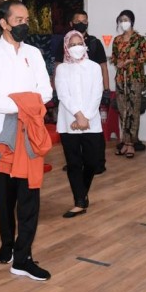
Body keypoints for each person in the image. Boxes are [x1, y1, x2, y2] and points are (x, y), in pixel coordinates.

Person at [0, 0, 53, 281]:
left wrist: (24, 105)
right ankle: (8, 244)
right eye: (18, 20)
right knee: (6, 198)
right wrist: (24, 103)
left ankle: (23, 257)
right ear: (4, 23)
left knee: (30, 197)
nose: (24, 24)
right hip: (1, 138)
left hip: (31, 134)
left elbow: (45, 91)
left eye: (26, 19)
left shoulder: (34, 53)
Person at [55, 30, 103, 218]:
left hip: (91, 122)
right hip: (69, 122)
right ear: (66, 47)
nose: (76, 47)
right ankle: (79, 201)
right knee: (74, 163)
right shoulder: (62, 69)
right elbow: (63, 95)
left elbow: (97, 93)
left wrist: (85, 118)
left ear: (85, 45)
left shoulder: (94, 67)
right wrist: (77, 116)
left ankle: (82, 192)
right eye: (72, 44)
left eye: (79, 43)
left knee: (92, 162)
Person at [54, 10, 109, 174]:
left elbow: (103, 67)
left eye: (84, 20)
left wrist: (106, 89)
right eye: (78, 20)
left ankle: (97, 163)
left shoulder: (94, 43)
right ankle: (74, 164)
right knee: (71, 141)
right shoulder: (64, 44)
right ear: (71, 23)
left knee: (94, 137)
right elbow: (57, 67)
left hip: (90, 101)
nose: (81, 23)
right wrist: (56, 90)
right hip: (70, 101)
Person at [110, 10, 146, 159]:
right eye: (121, 20)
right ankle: (125, 142)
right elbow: (114, 57)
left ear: (132, 21)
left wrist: (131, 61)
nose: (123, 22)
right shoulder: (117, 40)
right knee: (123, 110)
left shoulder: (139, 39)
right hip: (121, 78)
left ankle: (131, 144)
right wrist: (118, 62)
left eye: (125, 19)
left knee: (133, 110)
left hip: (135, 78)